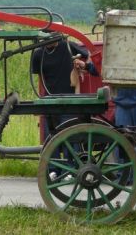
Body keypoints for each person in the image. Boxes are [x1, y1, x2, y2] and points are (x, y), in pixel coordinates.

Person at [30, 38, 97, 179]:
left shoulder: (68, 46)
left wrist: (82, 67)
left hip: (70, 99)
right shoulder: (38, 54)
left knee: (70, 136)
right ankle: (53, 169)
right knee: (51, 137)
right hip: (50, 100)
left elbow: (91, 53)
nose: (50, 41)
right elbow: (39, 78)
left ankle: (71, 169)